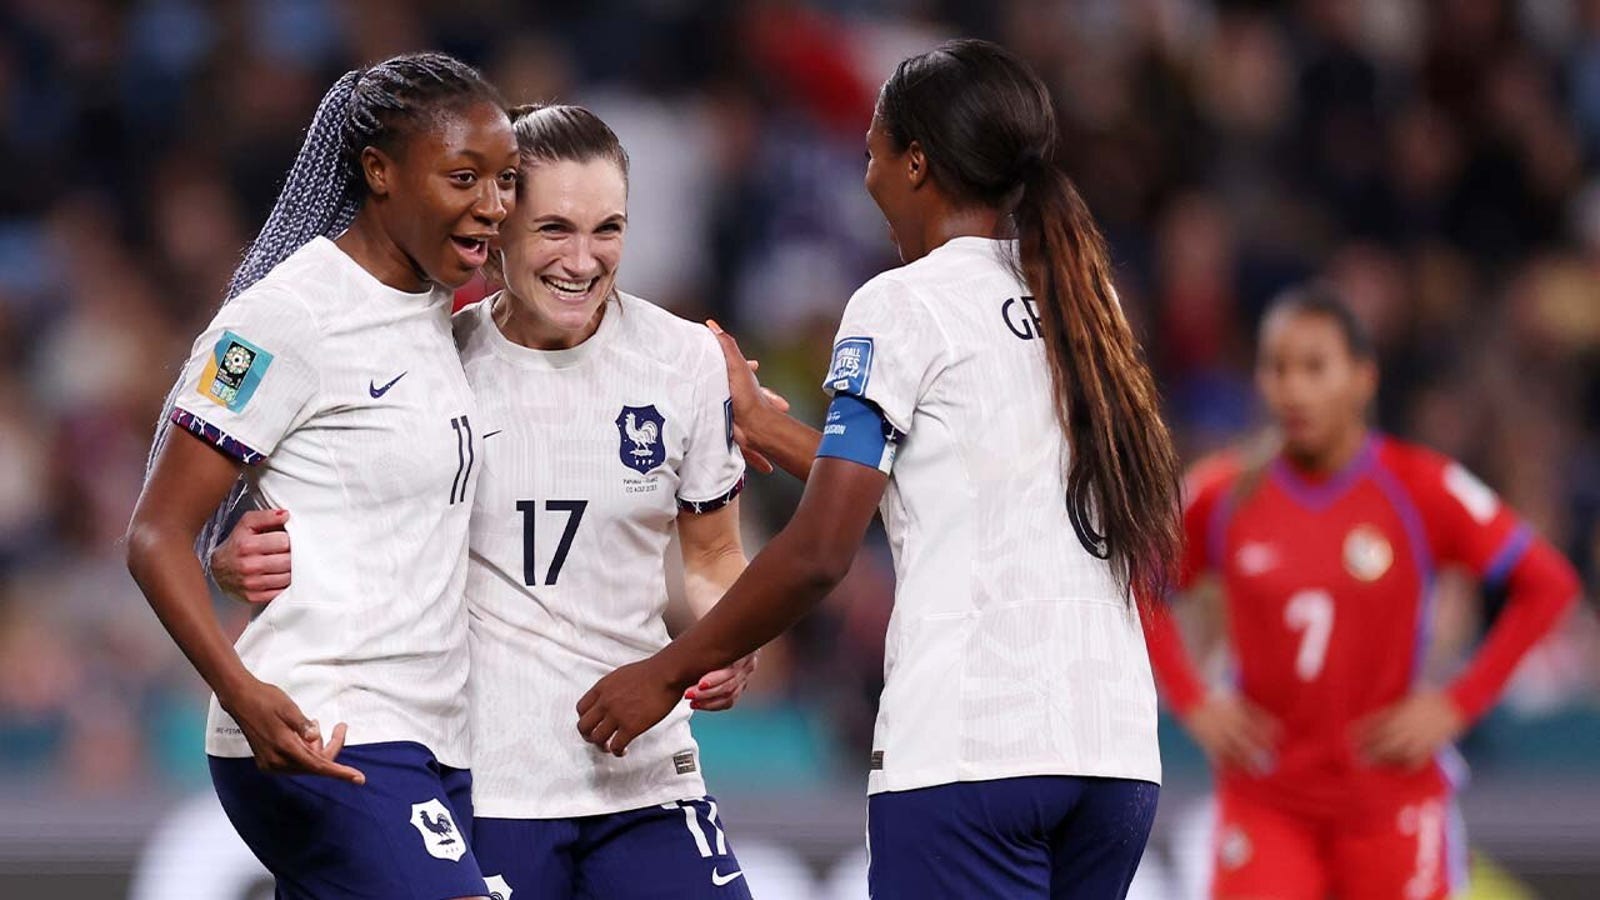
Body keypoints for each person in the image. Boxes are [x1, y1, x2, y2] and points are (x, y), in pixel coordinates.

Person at [574, 39, 1182, 900]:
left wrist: (665, 672)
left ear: (918, 164)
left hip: (973, 752)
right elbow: (931, 482)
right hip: (1115, 759)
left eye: (872, 152)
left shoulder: (900, 303)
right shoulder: (1080, 298)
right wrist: (758, 424)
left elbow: (823, 548)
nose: (866, 178)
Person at [213, 104, 759, 900]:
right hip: (488, 785)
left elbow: (713, 555)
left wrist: (727, 637)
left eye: (608, 228)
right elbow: (322, 496)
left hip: (645, 775)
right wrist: (232, 553)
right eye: (553, 230)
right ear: (498, 229)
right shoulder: (434, 361)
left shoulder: (683, 362)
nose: (583, 260)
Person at [124, 52, 520, 900]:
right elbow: (154, 533)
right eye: (464, 176)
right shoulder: (284, 318)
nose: (493, 205)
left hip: (436, 736)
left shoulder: (434, 315)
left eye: (505, 179)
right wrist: (243, 692)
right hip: (323, 727)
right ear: (378, 172)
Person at [1140, 286, 1581, 899]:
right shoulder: (1225, 495)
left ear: (1363, 378)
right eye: (1277, 368)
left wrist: (1456, 702)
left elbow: (1548, 584)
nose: (1293, 388)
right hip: (1269, 803)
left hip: (1388, 803)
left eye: (1315, 368)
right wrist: (1193, 702)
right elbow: (1138, 582)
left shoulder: (1416, 487)